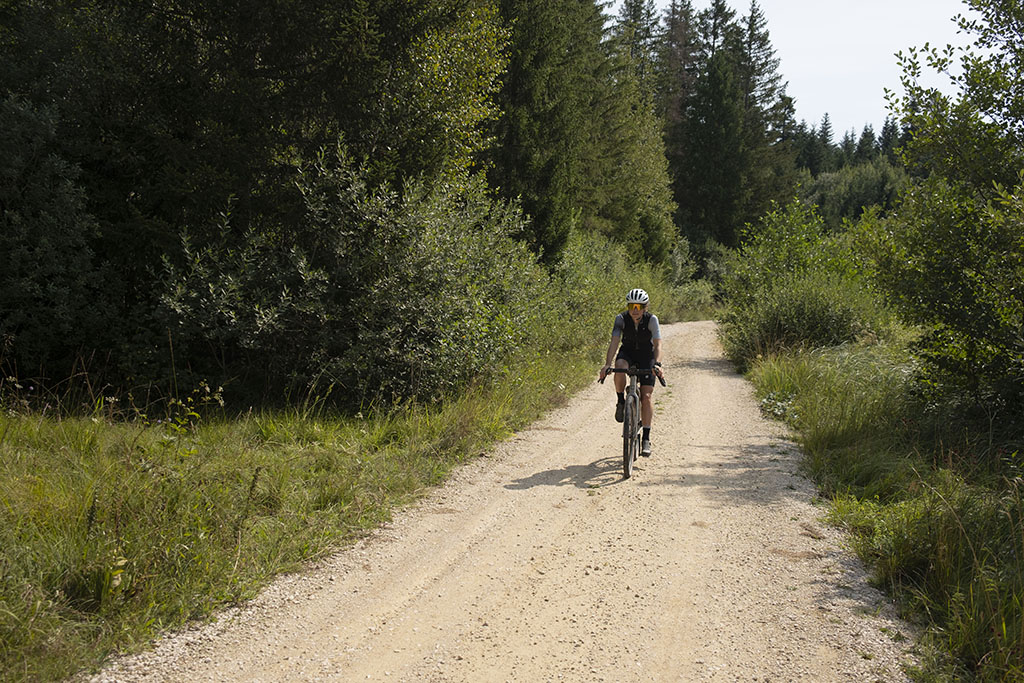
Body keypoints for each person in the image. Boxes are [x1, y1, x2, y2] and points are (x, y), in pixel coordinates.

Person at [598, 288, 664, 456]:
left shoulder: (651, 320)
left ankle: (646, 438)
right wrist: (607, 365)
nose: (635, 310)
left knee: (646, 396)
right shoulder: (620, 319)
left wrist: (657, 364)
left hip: (646, 356)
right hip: (627, 353)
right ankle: (621, 401)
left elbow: (657, 344)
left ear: (645, 307)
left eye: (638, 306)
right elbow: (614, 342)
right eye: (631, 306)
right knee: (619, 366)